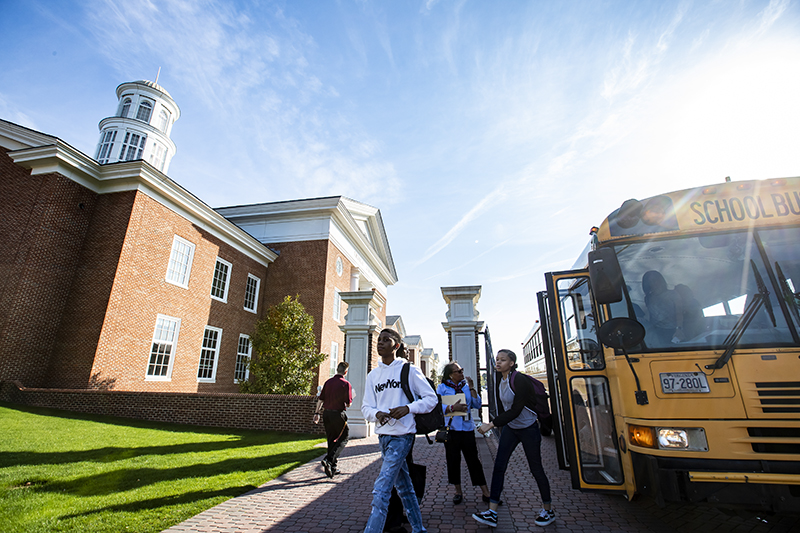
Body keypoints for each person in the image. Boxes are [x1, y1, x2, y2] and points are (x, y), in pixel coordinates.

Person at [361, 329, 437, 533]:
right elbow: (366, 407)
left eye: (387, 340)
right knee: (405, 488)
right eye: (379, 340)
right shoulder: (373, 375)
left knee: (382, 488)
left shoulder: (408, 370)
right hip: (383, 436)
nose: (381, 343)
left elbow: (431, 399)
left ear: (396, 346)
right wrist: (377, 414)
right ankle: (419, 529)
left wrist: (408, 408)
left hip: (403, 436)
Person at [472, 349, 555, 528]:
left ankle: (548, 509)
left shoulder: (519, 380)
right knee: (499, 467)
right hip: (512, 428)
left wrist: (491, 424)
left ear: (511, 363)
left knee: (536, 468)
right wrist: (501, 426)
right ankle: (492, 512)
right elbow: (503, 408)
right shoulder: (499, 380)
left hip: (528, 429)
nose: (498, 362)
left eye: (503, 360)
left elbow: (516, 409)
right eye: (497, 359)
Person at [436, 362, 491, 505]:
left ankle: (486, 492)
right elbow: (436, 407)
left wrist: (472, 388)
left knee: (474, 461)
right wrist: (452, 407)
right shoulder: (442, 388)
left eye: (462, 370)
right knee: (453, 461)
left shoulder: (466, 387)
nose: (461, 373)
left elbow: (477, 405)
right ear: (450, 375)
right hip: (452, 430)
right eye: (458, 371)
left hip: (466, 429)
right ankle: (458, 491)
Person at [314, 361, 353, 478]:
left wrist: (317, 413)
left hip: (326, 414)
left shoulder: (328, 382)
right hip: (338, 414)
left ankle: (332, 468)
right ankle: (329, 460)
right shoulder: (346, 384)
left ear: (337, 370)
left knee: (331, 439)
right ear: (345, 372)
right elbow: (349, 404)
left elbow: (321, 400)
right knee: (344, 437)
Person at [642, 270, 683, 346]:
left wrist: (679, 329)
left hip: (673, 331)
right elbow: (651, 316)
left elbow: (679, 313)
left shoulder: (673, 294)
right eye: (650, 281)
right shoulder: (648, 298)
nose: (653, 283)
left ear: (661, 280)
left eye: (655, 280)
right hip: (656, 332)